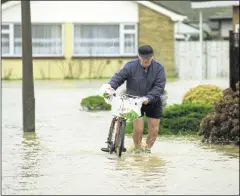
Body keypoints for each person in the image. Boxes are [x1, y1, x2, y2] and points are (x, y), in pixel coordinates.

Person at [107, 45, 166, 153]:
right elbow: (119, 78)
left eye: (149, 58)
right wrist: (110, 87)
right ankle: (138, 150)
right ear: (139, 57)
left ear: (152, 57)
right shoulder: (130, 66)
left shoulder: (159, 68)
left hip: (153, 101)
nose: (146, 60)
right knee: (138, 129)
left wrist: (149, 97)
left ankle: (147, 150)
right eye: (144, 58)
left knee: (154, 131)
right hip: (134, 101)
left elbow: (159, 86)